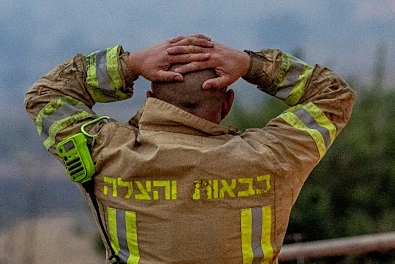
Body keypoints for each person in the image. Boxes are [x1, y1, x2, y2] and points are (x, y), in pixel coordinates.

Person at [25, 34, 355, 263]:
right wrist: (252, 65)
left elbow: (46, 96)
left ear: (151, 99)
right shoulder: (272, 156)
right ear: (227, 104)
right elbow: (335, 96)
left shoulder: (108, 152)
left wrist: (131, 64)